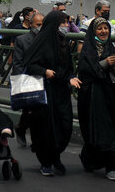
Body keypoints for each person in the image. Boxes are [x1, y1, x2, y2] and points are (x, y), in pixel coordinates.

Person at [77, 17, 115, 181]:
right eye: (100, 28)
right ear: (93, 31)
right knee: (104, 130)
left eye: (106, 28)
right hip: (95, 98)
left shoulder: (111, 48)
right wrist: (104, 63)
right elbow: (85, 71)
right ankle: (111, 167)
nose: (103, 31)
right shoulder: (88, 50)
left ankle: (89, 158)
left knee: (111, 127)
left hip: (112, 97)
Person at [22, 10, 80, 176]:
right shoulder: (41, 42)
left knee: (65, 124)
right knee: (45, 128)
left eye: (67, 23)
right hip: (44, 91)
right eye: (63, 23)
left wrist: (71, 77)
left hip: (61, 91)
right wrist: (45, 71)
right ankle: (46, 161)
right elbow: (30, 64)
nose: (66, 26)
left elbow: (68, 67)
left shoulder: (64, 43)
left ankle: (56, 155)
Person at [11, 11, 44, 147]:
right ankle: (21, 128)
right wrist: (21, 83)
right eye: (38, 25)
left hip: (44, 78)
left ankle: (38, 140)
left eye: (43, 25)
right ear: (30, 24)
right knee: (30, 111)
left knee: (42, 111)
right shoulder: (22, 40)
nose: (40, 28)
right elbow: (17, 63)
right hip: (28, 79)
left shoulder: (48, 38)